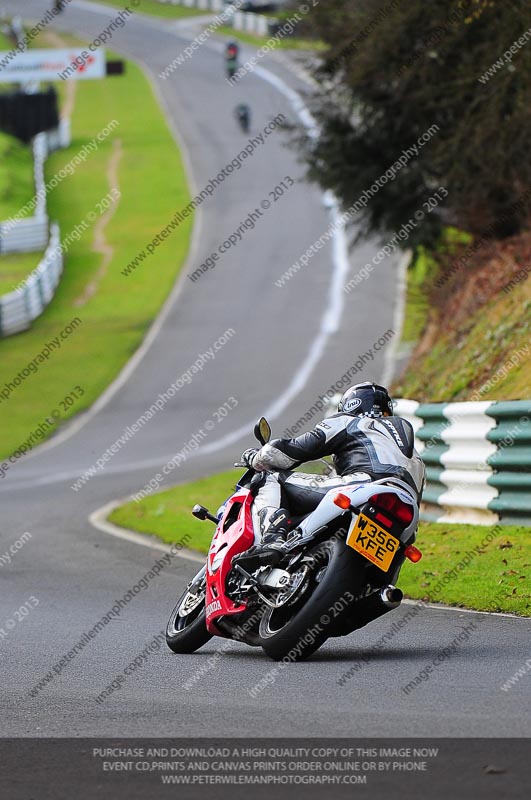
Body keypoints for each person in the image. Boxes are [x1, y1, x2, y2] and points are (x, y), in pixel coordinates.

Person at [236, 382, 425, 567]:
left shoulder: (349, 421)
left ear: (351, 405)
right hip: (406, 515)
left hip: (363, 484)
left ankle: (272, 539)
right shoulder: (416, 458)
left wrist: (256, 456)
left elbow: (289, 452)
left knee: (270, 477)